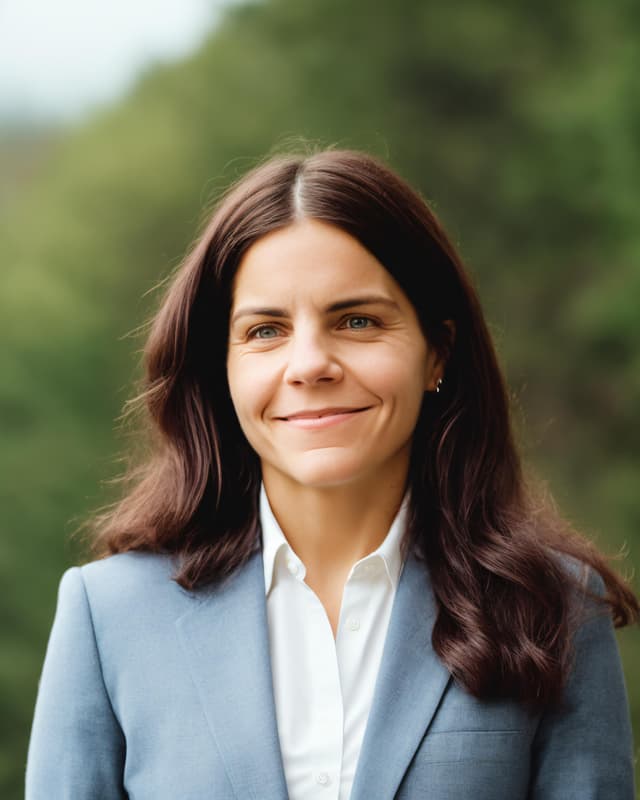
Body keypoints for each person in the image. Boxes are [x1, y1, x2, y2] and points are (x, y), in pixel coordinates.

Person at [26, 148, 638, 799]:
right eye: (265, 330)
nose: (310, 363)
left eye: (357, 321)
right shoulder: (109, 616)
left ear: (438, 353)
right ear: (220, 369)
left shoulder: (553, 607)